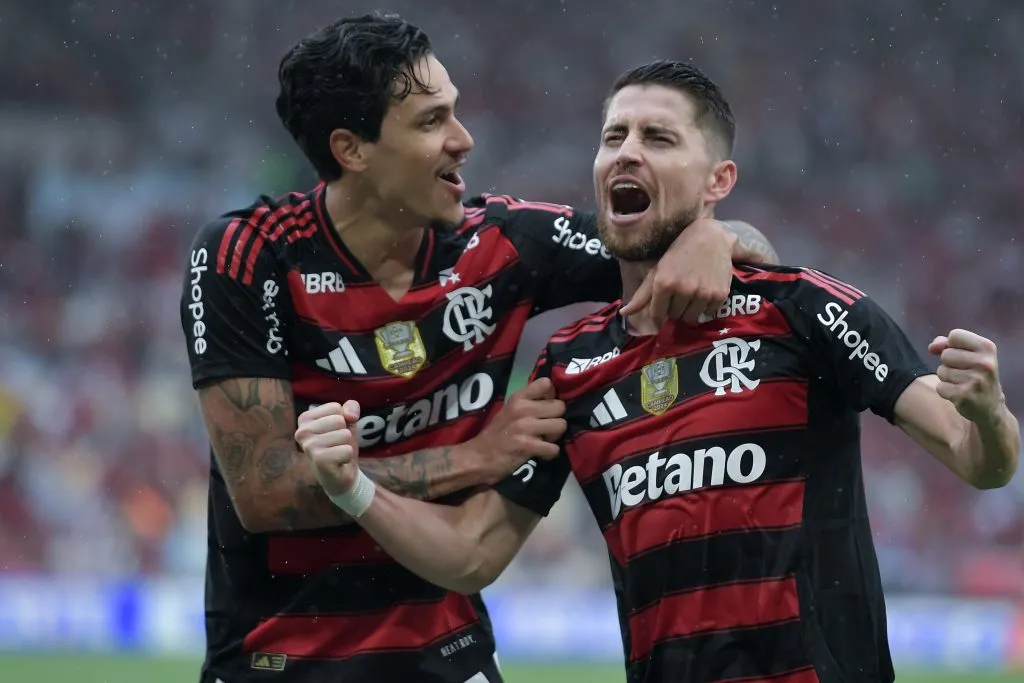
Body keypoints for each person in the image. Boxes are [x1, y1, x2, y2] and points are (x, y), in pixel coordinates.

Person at [298, 60, 1021, 683]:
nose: (627, 153)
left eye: (658, 138)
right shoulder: (569, 368)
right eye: (614, 136)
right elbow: (472, 553)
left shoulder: (805, 309)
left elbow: (978, 460)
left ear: (718, 180)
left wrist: (988, 414)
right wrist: (352, 486)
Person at [180, 12, 780, 683]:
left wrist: (714, 235)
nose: (463, 139)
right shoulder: (248, 255)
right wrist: (472, 457)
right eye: (431, 121)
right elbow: (265, 492)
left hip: (445, 655)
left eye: (455, 111)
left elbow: (721, 250)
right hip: (276, 657)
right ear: (352, 149)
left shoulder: (505, 245)